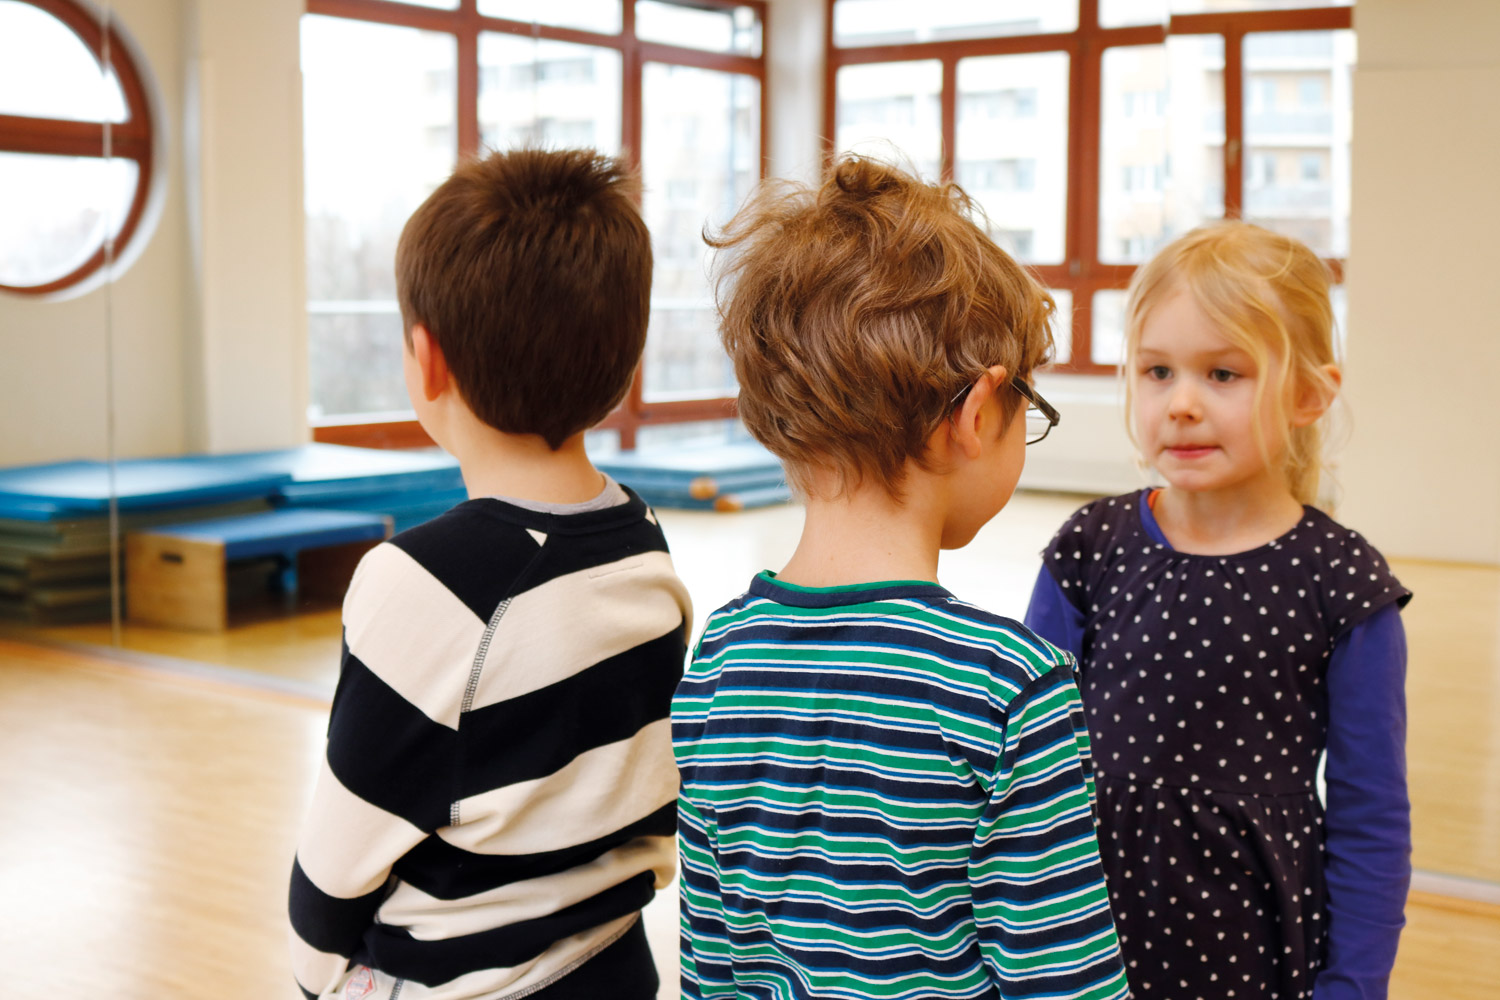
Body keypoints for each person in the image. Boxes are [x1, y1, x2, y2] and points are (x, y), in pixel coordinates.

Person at [672, 156, 1130, 1000]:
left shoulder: (718, 660)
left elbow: (709, 963)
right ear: (979, 413)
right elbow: (1066, 985)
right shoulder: (1008, 689)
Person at [288, 148, 692, 1000]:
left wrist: (319, 981)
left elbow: (338, 861)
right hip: (616, 964)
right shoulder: (643, 546)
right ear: (624, 365)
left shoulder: (422, 582)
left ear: (426, 361)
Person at [1024, 220, 1411, 999]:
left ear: (1308, 394)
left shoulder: (1343, 583)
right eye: (1157, 371)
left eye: (1224, 375)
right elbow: (1027, 767)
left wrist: (1354, 986)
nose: (1183, 405)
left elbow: (1372, 820)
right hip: (1084, 939)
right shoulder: (1087, 551)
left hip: (1253, 951)